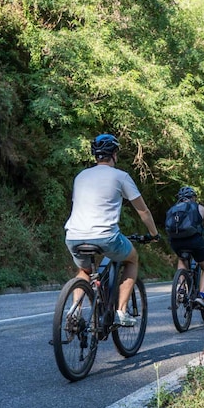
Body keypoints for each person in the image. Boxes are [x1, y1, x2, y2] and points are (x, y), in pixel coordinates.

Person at [64, 133, 160, 326]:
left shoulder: (81, 176)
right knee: (132, 259)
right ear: (114, 154)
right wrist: (154, 234)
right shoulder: (121, 176)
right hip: (106, 236)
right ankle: (121, 311)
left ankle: (74, 310)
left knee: (84, 270)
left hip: (73, 236)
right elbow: (143, 211)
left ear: (95, 155)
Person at [166, 186, 204, 310]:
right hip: (194, 241)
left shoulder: (172, 209)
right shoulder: (199, 207)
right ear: (193, 197)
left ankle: (181, 290)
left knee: (182, 260)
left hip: (175, 242)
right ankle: (202, 295)